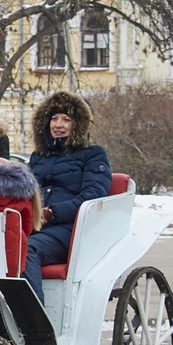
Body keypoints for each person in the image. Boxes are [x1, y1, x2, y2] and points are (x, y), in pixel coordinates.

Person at [23, 92, 111, 303]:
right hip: (34, 227)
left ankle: (34, 320)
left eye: (66, 119)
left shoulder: (93, 155)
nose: (58, 125)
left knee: (26, 249)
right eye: (54, 118)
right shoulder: (38, 156)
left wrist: (53, 213)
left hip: (69, 231)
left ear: (78, 124)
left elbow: (94, 195)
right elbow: (26, 191)